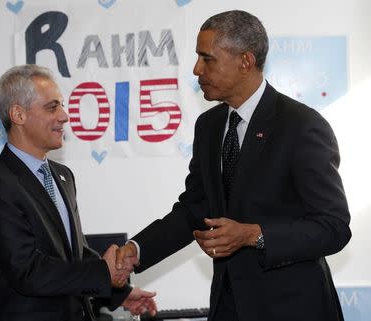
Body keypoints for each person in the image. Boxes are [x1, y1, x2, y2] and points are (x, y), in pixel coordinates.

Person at [116, 10, 351, 321]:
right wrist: (136, 249)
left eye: (207, 58)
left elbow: (333, 227)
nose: (196, 69)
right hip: (229, 307)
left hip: (293, 308)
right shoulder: (209, 126)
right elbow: (195, 209)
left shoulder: (301, 125)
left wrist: (254, 235)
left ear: (245, 61)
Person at [0, 64, 156, 321]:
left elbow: (73, 252)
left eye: (63, 105)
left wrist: (119, 292)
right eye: (52, 107)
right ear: (18, 115)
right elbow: (28, 271)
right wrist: (104, 273)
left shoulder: (62, 176)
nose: (65, 116)